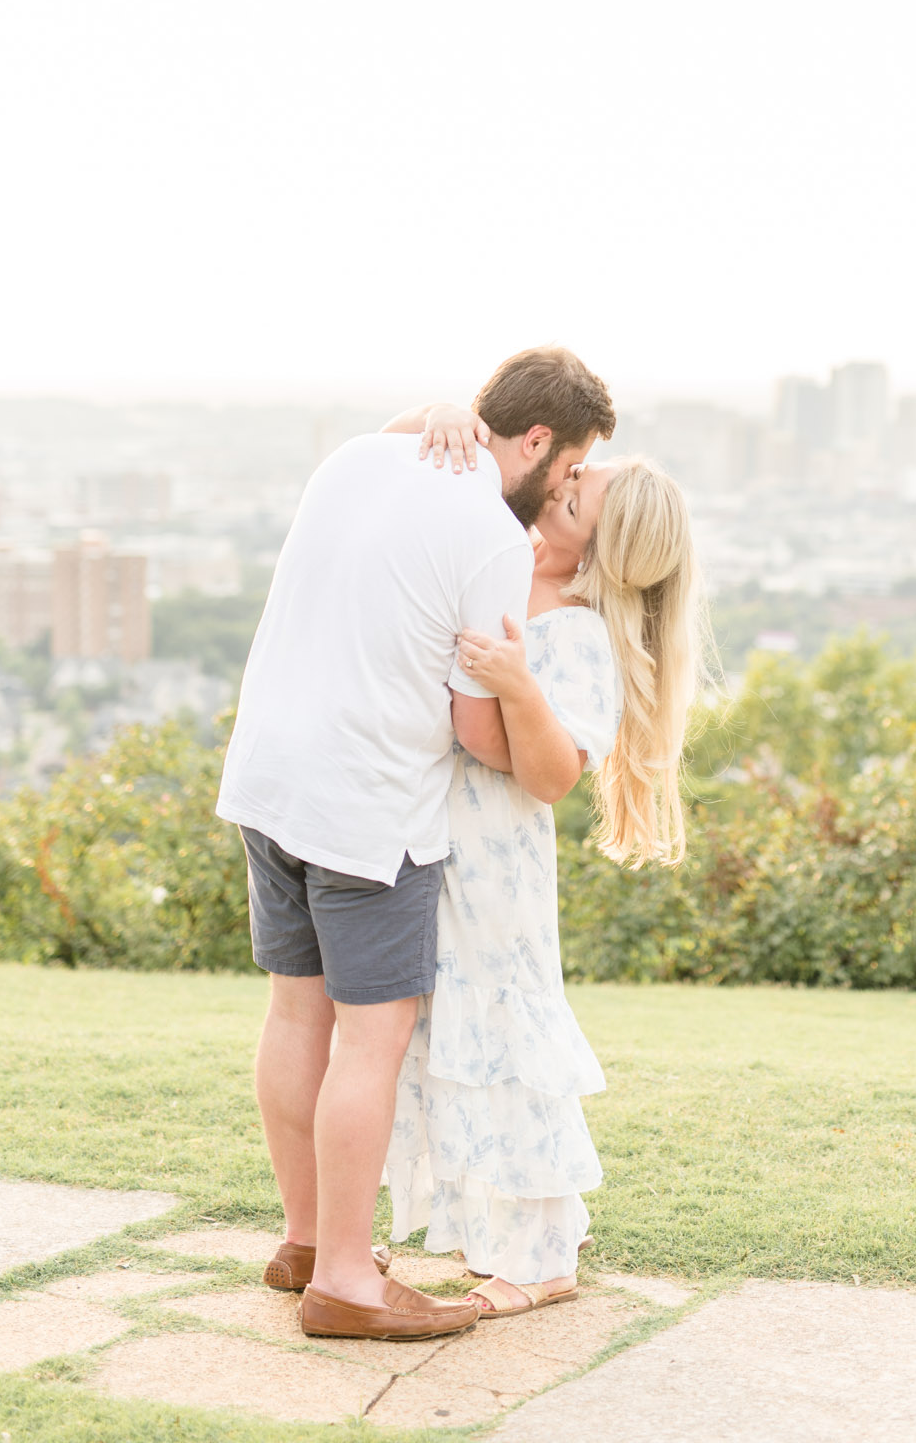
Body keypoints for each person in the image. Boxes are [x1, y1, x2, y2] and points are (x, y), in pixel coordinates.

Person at [215, 347, 616, 1343]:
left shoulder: (351, 459)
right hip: (368, 807)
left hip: (267, 775)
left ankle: (305, 1238)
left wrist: (428, 410)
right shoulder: (490, 535)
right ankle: (348, 1279)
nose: (561, 485)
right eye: (566, 467)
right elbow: (484, 739)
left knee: (294, 1016)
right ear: (534, 440)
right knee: (371, 1037)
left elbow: (405, 442)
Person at [381, 401, 704, 1318]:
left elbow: (556, 771)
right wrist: (440, 418)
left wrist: (518, 686)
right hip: (437, 845)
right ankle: (491, 1226)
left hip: (497, 868)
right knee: (439, 1035)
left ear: (595, 554)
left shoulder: (573, 630)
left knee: (504, 1045)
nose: (549, 493)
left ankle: (544, 1250)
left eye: (568, 500)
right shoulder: (500, 571)